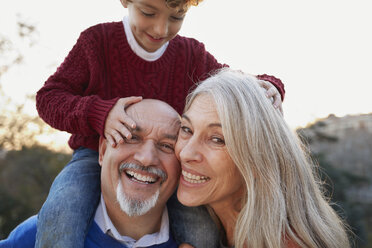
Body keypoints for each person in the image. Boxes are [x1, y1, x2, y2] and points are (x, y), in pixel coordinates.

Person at [35, 0, 285, 246]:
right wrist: (98, 113)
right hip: (92, 155)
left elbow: (232, 85)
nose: (160, 30)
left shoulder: (191, 55)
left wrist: (269, 86)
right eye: (148, 12)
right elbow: (49, 98)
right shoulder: (96, 41)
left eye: (175, 18)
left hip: (170, 163)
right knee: (62, 207)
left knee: (203, 228)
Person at [0, 99, 220, 248]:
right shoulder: (35, 238)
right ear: (103, 151)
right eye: (131, 137)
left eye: (166, 146)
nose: (146, 158)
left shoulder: (215, 239)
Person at [175, 68, 351, 248]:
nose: (185, 153)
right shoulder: (203, 230)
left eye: (217, 139)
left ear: (257, 160)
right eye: (187, 129)